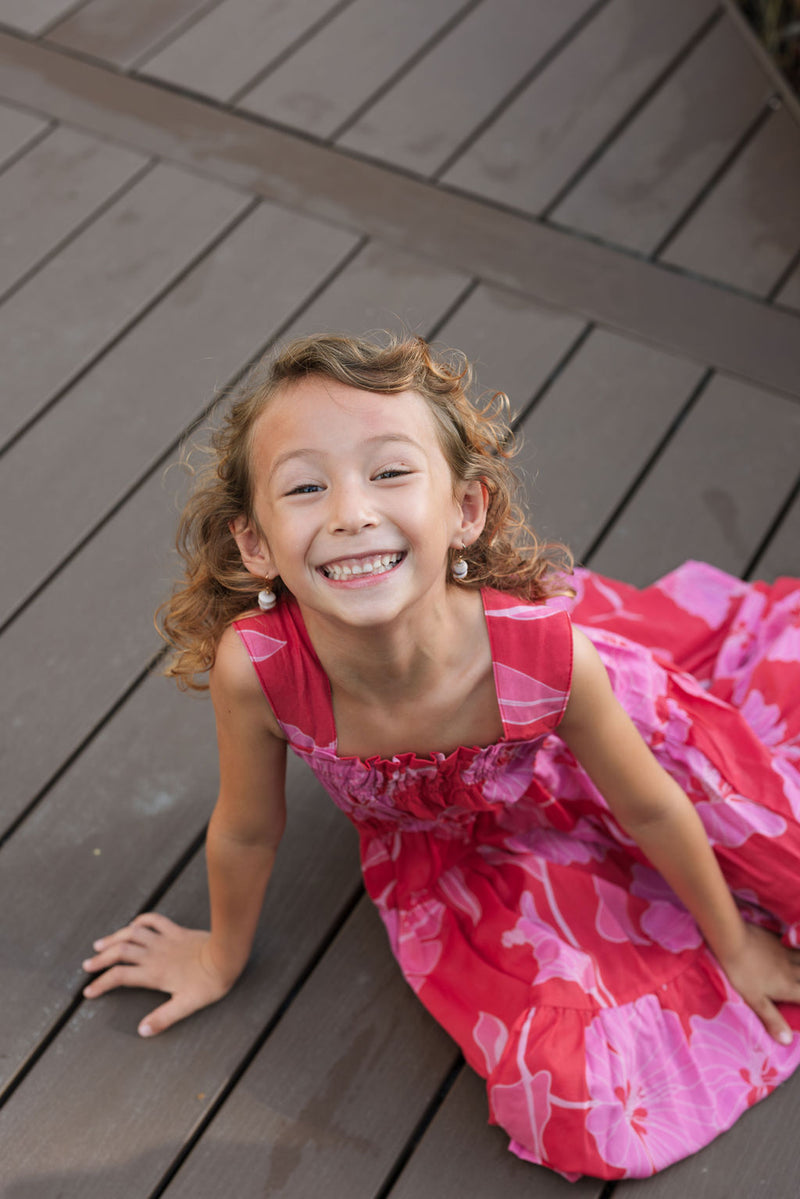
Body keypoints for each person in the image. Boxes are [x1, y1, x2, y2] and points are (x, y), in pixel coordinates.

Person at [82, 333, 800, 1180]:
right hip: (459, 849)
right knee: (575, 1090)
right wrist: (218, 955)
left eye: (389, 472)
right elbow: (245, 829)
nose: (349, 511)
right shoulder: (262, 670)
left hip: (609, 749)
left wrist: (732, 939)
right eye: (306, 487)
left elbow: (651, 805)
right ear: (257, 546)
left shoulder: (548, 657)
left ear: (466, 510)